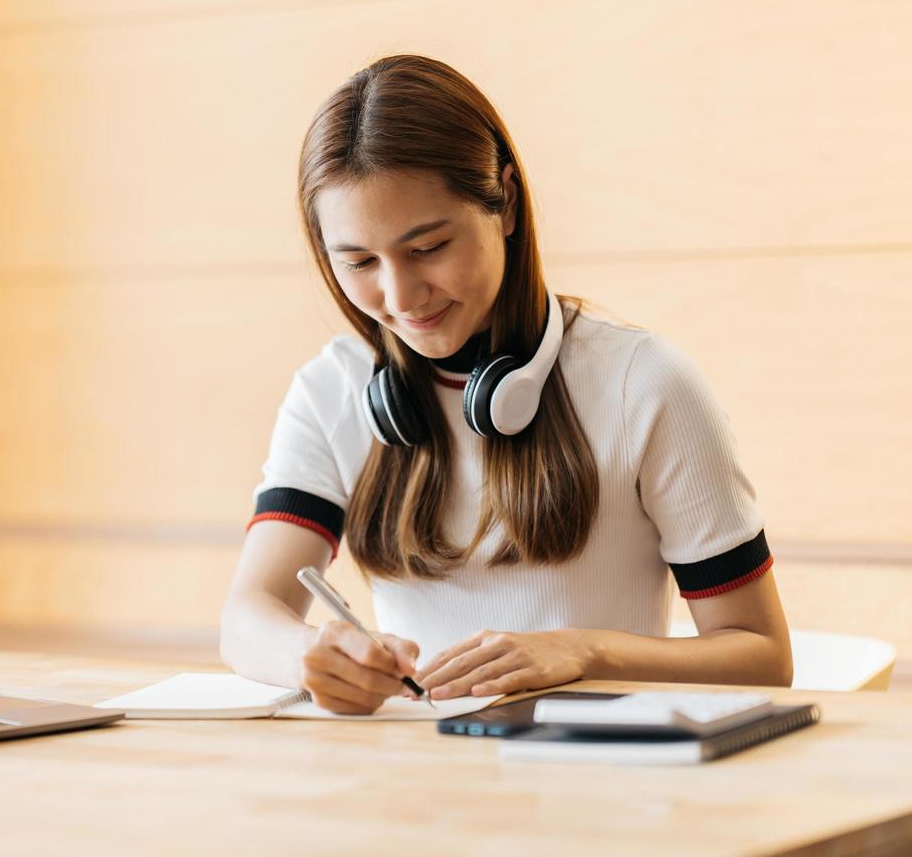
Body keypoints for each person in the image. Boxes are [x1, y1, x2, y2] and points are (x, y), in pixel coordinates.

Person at [220, 54, 792, 715]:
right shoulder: (333, 390)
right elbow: (248, 616)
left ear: (508, 204)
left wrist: (583, 651)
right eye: (359, 261)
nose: (401, 296)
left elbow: (761, 654)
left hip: (598, 783)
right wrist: (308, 653)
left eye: (427, 248)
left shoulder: (647, 384)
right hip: (410, 785)